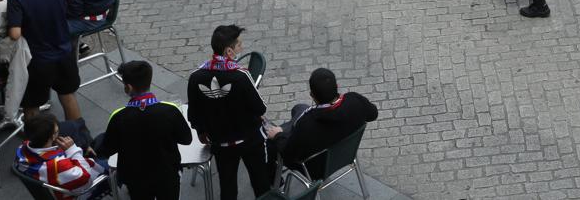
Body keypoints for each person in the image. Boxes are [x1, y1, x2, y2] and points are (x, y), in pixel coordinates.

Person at [187, 25, 271, 200]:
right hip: (249, 139)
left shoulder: (196, 77)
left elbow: (194, 113)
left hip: (220, 143)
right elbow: (260, 108)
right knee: (260, 181)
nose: (242, 48)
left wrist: (201, 131)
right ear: (229, 51)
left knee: (227, 186)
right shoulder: (240, 76)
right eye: (239, 45)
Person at [7, 0, 85, 124]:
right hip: (65, 51)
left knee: (31, 105)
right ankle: (77, 139)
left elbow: (15, 34)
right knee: (67, 95)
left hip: (39, 60)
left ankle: (35, 146)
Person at [95, 59, 192, 200]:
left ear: (128, 87)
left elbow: (107, 150)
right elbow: (186, 139)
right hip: (167, 175)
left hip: (136, 179)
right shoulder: (170, 110)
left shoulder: (118, 117)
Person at [269, 68, 379, 178]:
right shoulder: (355, 100)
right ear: (337, 85)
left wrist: (278, 136)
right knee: (299, 108)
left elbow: (288, 155)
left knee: (270, 142)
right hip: (346, 155)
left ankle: (272, 180)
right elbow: (373, 114)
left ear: (312, 95)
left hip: (315, 169)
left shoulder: (306, 124)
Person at [14, 111, 109, 198]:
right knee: (117, 162)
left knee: (98, 140)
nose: (59, 132)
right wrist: (73, 150)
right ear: (52, 136)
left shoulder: (22, 148)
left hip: (58, 181)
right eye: (56, 131)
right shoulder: (58, 165)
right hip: (80, 192)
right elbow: (86, 180)